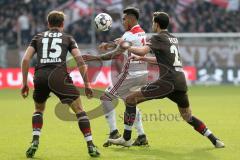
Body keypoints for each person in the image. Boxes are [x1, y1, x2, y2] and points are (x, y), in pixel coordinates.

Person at [109, 12, 225, 148]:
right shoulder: (173, 39)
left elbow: (141, 50)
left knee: (130, 99)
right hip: (180, 82)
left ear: (156, 24)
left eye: (153, 23)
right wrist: (144, 59)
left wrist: (125, 45)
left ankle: (126, 139)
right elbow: (165, 60)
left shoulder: (157, 38)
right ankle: (214, 140)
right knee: (187, 116)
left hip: (167, 82)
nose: (152, 25)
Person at [21, 11, 100, 158]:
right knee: (79, 110)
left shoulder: (37, 37)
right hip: (59, 77)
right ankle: (90, 146)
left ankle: (35, 141)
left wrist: (24, 83)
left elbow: (25, 60)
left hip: (40, 77)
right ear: (62, 24)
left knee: (38, 110)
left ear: (48, 24)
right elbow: (80, 62)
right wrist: (87, 84)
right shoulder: (68, 38)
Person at [83, 7, 148, 147]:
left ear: (130, 19)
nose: (122, 21)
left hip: (131, 74)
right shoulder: (141, 32)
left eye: (124, 19)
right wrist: (111, 44)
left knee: (106, 97)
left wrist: (94, 58)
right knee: (130, 102)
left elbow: (115, 54)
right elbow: (125, 43)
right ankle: (141, 135)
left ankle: (114, 132)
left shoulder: (128, 35)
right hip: (142, 73)